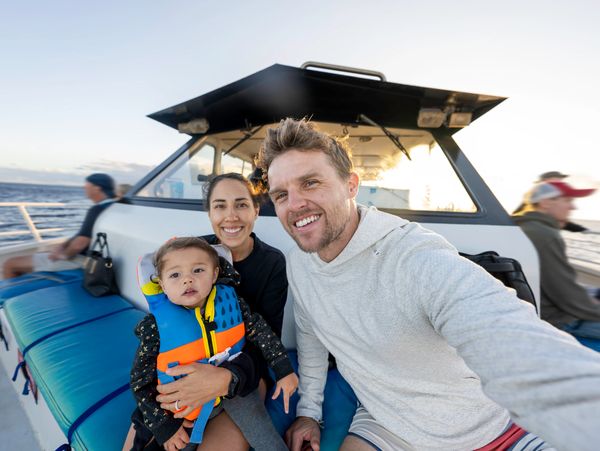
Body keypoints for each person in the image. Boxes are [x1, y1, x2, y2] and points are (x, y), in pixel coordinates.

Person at [258, 118, 600, 451]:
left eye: (310, 183)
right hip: (385, 425)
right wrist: (308, 414)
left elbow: (498, 324)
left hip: (488, 429)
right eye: (281, 194)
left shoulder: (413, 256)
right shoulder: (299, 264)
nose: (295, 204)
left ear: (351, 185)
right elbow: (312, 337)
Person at [123, 173, 292, 450]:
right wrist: (161, 420)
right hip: (186, 366)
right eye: (220, 205)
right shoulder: (190, 253)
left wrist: (225, 377)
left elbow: (265, 340)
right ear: (210, 212)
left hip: (244, 373)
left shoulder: (272, 263)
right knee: (142, 435)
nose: (231, 216)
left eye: (241, 204)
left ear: (256, 210)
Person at [512, 180, 600, 339]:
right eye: (567, 200)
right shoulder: (545, 234)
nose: (573, 207)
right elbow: (567, 296)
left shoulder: (523, 225)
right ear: (545, 203)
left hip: (538, 306)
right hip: (558, 321)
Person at [2, 173, 116, 279]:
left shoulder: (97, 210)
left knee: (10, 264)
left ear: (97, 188)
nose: (84, 188)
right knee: (39, 255)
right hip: (92, 258)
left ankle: (7, 299)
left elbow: (80, 244)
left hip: (81, 261)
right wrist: (63, 245)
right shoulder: (113, 206)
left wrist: (62, 255)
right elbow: (83, 235)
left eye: (87, 185)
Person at [513, 171, 588, 232]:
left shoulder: (548, 194)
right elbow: (520, 215)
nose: (561, 181)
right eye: (558, 179)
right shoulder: (535, 197)